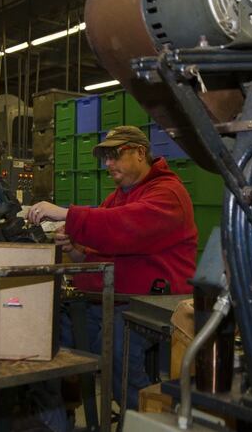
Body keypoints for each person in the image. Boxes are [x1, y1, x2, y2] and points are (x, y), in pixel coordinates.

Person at [27, 125, 197, 418]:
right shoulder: (119, 196)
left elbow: (126, 226)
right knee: (48, 339)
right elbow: (108, 244)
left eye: (115, 155)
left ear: (140, 153)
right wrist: (77, 250)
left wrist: (67, 214)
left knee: (119, 351)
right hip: (111, 298)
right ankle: (53, 422)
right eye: (105, 157)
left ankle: (145, 420)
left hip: (152, 304)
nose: (108, 164)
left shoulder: (168, 193)